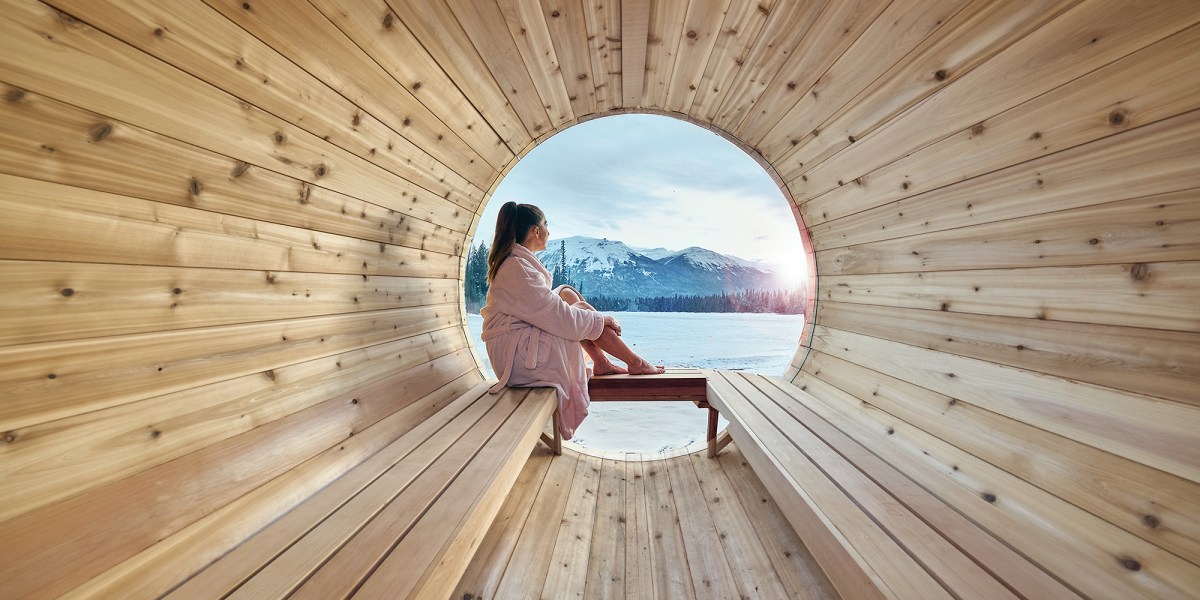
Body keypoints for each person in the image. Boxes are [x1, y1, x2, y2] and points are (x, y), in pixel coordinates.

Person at [480, 202, 664, 439]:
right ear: (536, 231)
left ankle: (601, 362)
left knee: (566, 294)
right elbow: (563, 320)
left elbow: (553, 311)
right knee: (581, 310)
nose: (549, 231)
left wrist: (594, 320)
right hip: (516, 361)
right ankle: (635, 362)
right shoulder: (518, 269)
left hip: (515, 346)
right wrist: (601, 318)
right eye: (546, 225)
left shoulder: (517, 263)